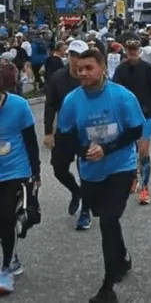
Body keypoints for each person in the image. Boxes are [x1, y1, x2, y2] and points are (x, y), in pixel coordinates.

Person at [56, 49, 145, 303]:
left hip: (120, 166)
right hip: (91, 172)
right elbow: (65, 136)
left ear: (103, 68)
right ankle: (123, 258)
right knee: (108, 220)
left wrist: (107, 148)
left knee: (108, 219)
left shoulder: (122, 97)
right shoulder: (72, 101)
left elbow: (135, 129)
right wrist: (81, 150)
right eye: (79, 68)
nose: (82, 73)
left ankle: (107, 287)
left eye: (88, 68)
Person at [0, 64, 41, 295]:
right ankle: (11, 254)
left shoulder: (19, 106)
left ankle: (5, 268)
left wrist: (36, 173)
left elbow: (30, 142)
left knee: (5, 217)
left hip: (15, 171)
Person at [43, 39, 92, 230]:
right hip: (64, 132)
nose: (75, 60)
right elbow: (50, 105)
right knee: (58, 169)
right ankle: (76, 191)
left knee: (86, 172)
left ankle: (86, 212)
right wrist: (48, 131)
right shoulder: (58, 77)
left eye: (79, 56)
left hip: (86, 133)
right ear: (67, 56)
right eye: (72, 55)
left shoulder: (89, 78)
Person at [112, 40, 151, 204]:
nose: (132, 52)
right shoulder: (120, 69)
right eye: (130, 49)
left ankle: (145, 187)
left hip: (145, 114)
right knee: (129, 151)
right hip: (126, 117)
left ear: (139, 51)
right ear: (126, 51)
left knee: (143, 151)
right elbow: (114, 92)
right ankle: (133, 178)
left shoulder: (147, 69)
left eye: (135, 49)